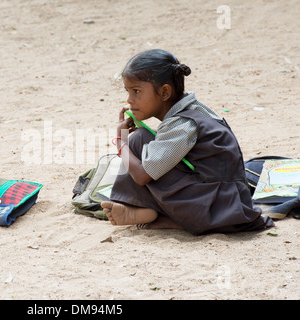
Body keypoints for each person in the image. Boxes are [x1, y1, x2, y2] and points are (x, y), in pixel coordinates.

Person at [101, 49, 274, 235]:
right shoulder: (194, 109)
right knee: (143, 140)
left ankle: (154, 211)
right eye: (128, 92)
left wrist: (121, 142)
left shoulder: (183, 124)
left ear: (165, 92)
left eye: (136, 91)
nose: (129, 100)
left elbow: (143, 175)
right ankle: (153, 212)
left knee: (137, 140)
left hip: (214, 209)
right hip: (225, 202)